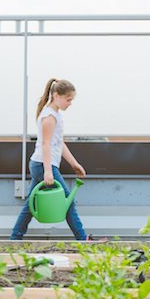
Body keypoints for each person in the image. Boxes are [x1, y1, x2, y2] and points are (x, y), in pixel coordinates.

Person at [10, 78, 92, 241]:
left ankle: (15, 238)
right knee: (67, 201)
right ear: (56, 95)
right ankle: (82, 239)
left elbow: (58, 143)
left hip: (42, 164)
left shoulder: (55, 115)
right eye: (68, 99)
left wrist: (74, 164)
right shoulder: (49, 117)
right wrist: (48, 172)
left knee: (31, 204)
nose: (70, 103)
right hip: (43, 165)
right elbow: (46, 145)